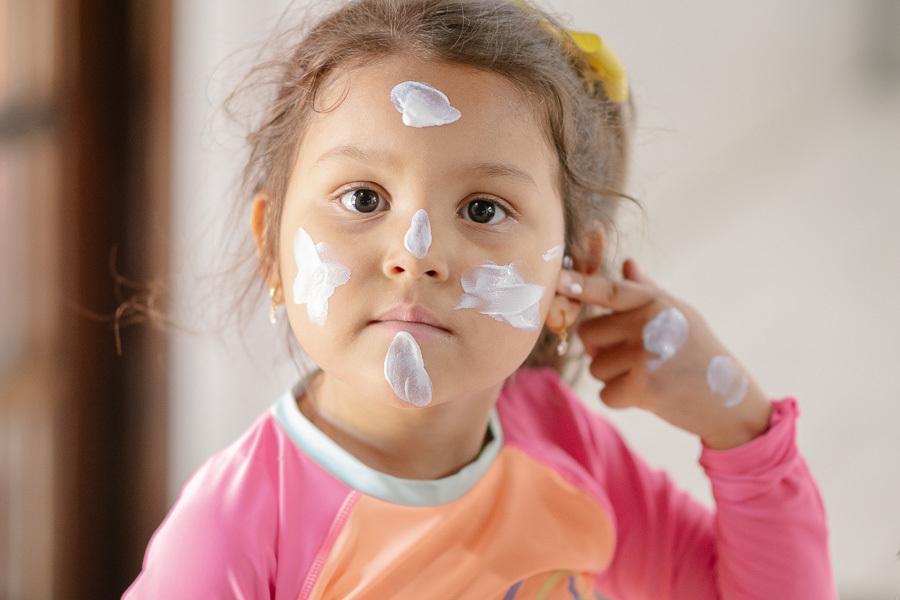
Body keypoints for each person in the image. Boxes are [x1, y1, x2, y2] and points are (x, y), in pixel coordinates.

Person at [124, 0, 836, 597]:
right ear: (269, 246)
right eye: (364, 197)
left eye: (485, 209)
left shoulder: (564, 447)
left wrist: (740, 426)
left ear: (571, 274)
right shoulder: (231, 535)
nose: (417, 252)